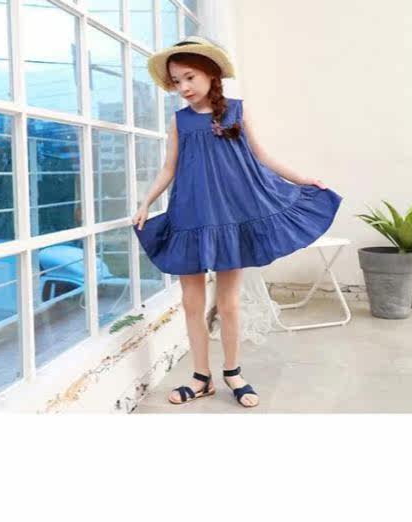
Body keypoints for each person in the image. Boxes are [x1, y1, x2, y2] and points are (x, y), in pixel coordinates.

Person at [131, 36, 343, 408]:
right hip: (189, 217)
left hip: (231, 217)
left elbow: (262, 158)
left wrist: (302, 179)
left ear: (211, 75)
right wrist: (146, 202)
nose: (183, 87)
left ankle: (233, 373)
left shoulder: (236, 112)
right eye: (177, 81)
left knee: (228, 304)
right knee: (192, 304)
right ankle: (201, 378)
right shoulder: (179, 121)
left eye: (189, 77)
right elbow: (169, 168)